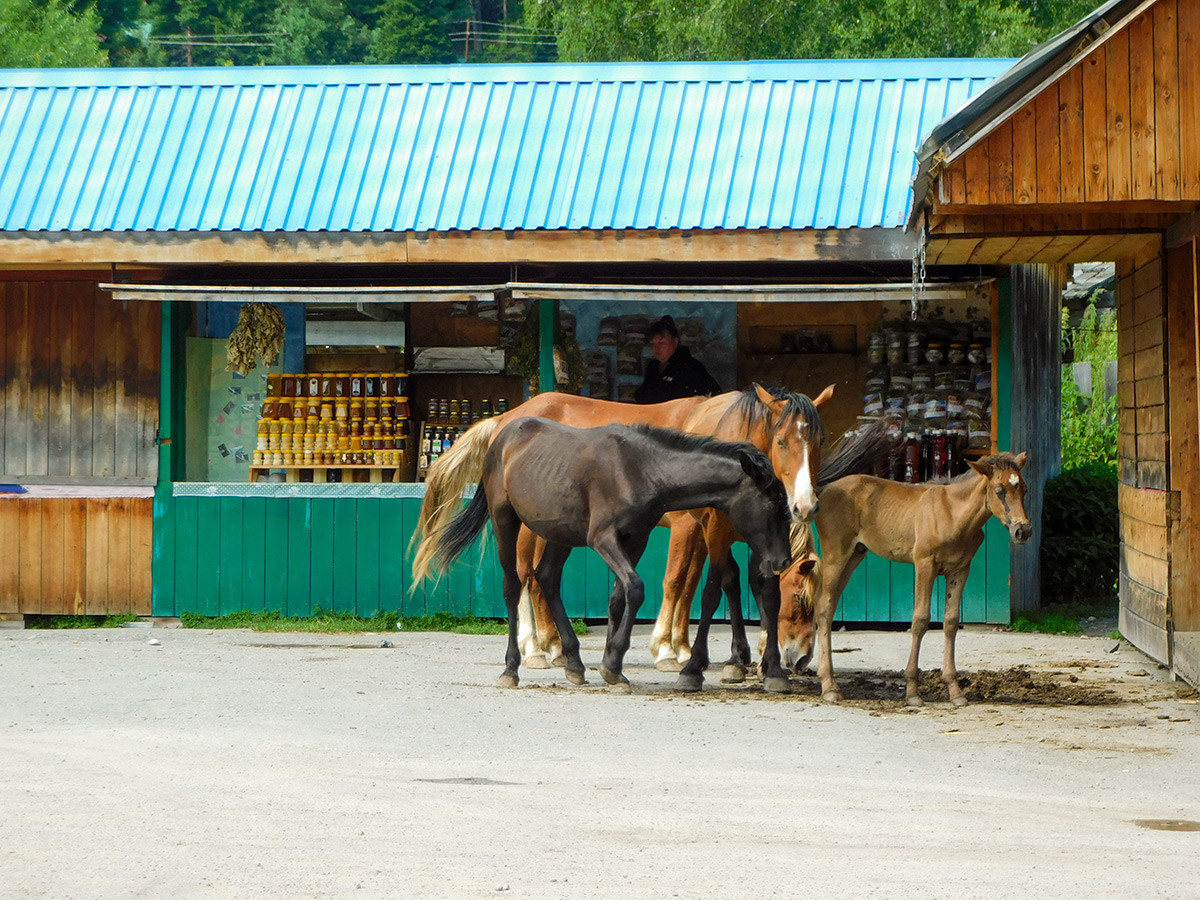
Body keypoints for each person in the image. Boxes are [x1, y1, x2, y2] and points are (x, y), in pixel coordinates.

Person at [634, 315, 721, 403]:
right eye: (653, 344)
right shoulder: (652, 368)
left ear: (675, 342)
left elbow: (713, 396)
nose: (657, 348)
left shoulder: (690, 367)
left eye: (662, 343)